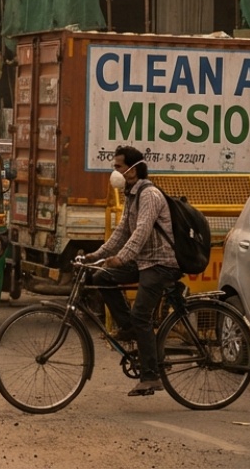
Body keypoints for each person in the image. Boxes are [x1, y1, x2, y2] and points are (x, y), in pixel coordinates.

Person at [80, 145, 182, 396]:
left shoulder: (150, 195)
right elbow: (122, 232)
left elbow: (142, 231)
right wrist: (97, 255)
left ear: (133, 169)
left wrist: (122, 258)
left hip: (161, 262)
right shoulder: (131, 194)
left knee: (141, 315)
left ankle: (150, 376)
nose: (114, 171)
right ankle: (128, 328)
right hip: (143, 260)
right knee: (101, 277)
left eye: (118, 167)